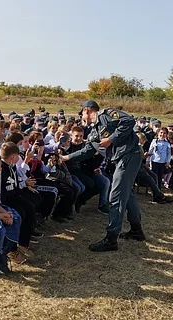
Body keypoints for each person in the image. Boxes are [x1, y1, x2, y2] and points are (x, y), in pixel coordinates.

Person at [60, 100, 145, 252]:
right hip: (124, 158)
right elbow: (87, 151)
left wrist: (111, 139)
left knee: (116, 196)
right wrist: (66, 158)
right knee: (128, 194)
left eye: (82, 114)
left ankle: (111, 239)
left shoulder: (106, 115)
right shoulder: (94, 132)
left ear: (87, 110)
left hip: (129, 155)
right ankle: (136, 230)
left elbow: (129, 120)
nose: (82, 118)